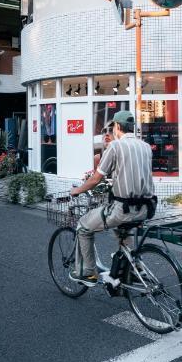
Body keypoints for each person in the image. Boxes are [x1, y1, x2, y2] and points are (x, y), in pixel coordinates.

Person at [70, 110, 155, 286]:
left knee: (83, 227)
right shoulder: (146, 147)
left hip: (123, 209)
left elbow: (95, 178)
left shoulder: (115, 147)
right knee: (121, 232)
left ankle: (88, 273)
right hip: (146, 209)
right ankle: (132, 268)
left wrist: (77, 190)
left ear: (117, 127)